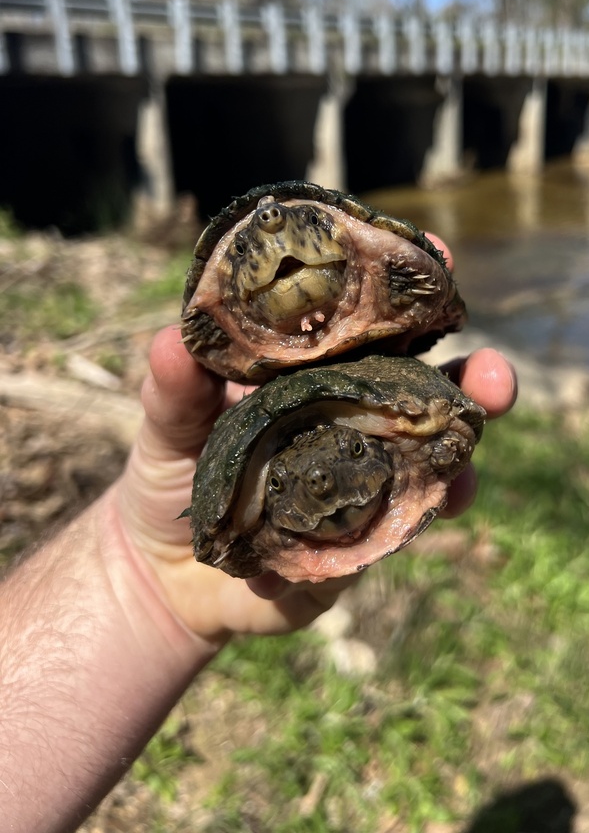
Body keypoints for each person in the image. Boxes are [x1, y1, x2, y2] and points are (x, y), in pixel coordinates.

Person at [0, 281, 516, 833]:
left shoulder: (413, 428)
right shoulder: (239, 527)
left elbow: (446, 420)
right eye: (296, 483)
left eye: (357, 448)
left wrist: (140, 575)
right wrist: (142, 566)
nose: (324, 483)